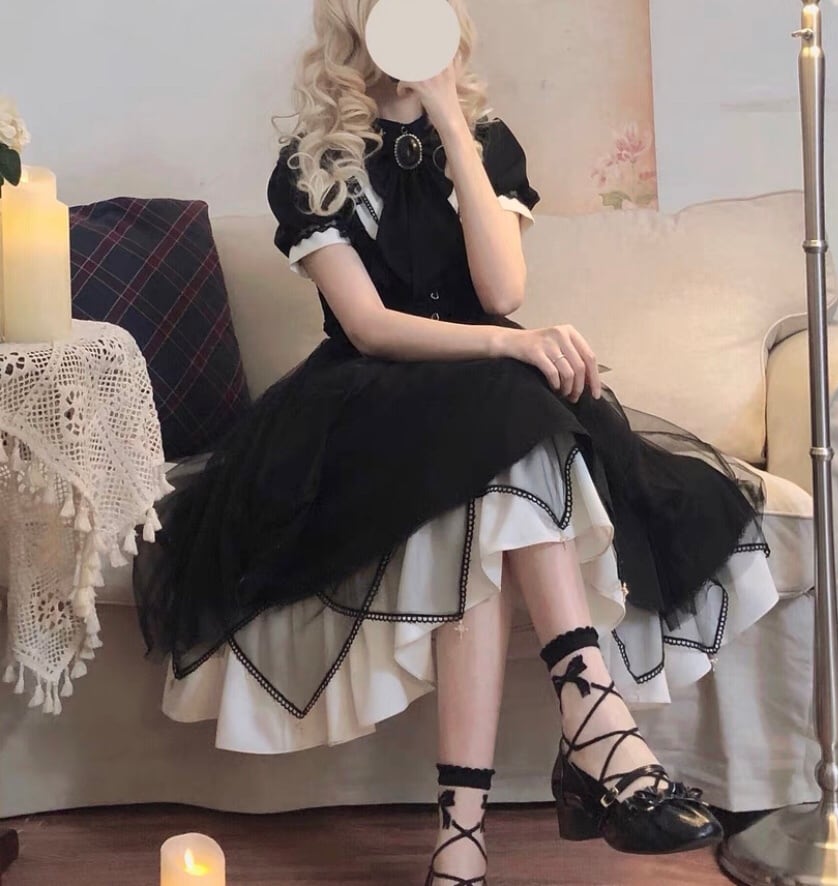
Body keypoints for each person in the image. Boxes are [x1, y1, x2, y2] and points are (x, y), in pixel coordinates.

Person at [133, 1, 781, 882]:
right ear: (359, 22)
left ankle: (463, 839)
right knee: (506, 409)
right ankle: (596, 733)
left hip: (487, 414)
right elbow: (369, 327)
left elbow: (502, 289)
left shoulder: (486, 142)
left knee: (486, 495)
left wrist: (448, 118)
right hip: (367, 410)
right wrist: (508, 346)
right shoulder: (310, 164)